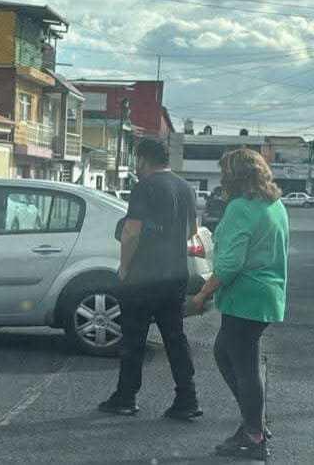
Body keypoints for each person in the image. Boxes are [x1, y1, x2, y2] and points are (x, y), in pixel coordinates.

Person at [190, 148, 289, 461]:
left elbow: (231, 263)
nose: (221, 179)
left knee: (243, 365)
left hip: (247, 297)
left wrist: (202, 293)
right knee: (226, 353)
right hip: (266, 295)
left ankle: (253, 434)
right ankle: (253, 422)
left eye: (224, 173)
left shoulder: (240, 208)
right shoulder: (274, 204)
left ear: (233, 177)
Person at [97, 138, 202, 420]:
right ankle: (187, 398)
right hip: (176, 274)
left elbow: (132, 232)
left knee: (133, 339)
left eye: (137, 159)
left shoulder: (144, 187)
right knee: (175, 338)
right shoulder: (185, 187)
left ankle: (126, 397)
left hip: (144, 277)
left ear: (143, 159)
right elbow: (193, 229)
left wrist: (124, 267)